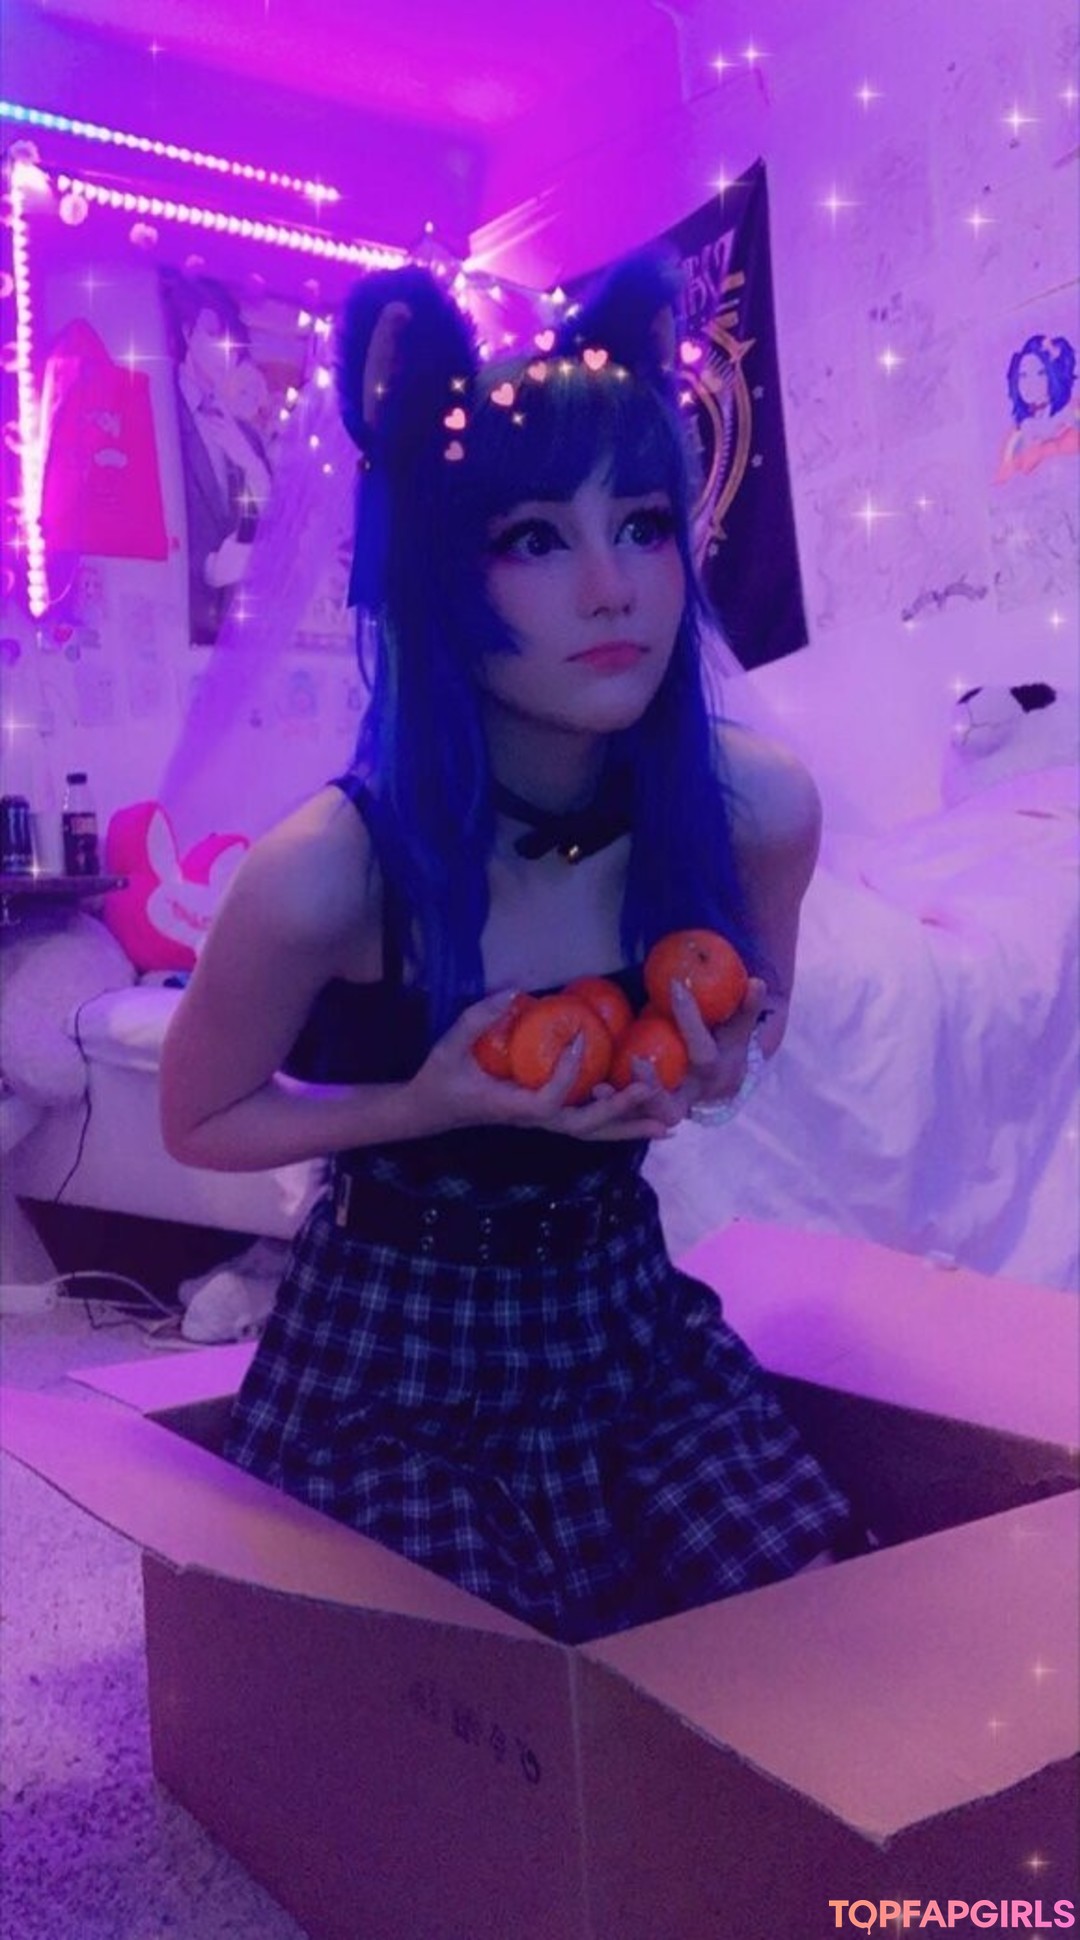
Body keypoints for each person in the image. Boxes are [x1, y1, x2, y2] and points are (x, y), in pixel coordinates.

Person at [160, 251, 862, 1643]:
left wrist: (716, 1070)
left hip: (621, 1311)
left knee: (815, 1635)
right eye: (534, 539)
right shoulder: (329, 871)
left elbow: (757, 1017)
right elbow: (197, 1117)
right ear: (437, 573)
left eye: (643, 524)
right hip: (391, 1341)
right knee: (483, 1696)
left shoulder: (756, 808)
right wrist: (425, 1102)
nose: (614, 589)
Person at [162, 272, 274, 643]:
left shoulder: (244, 437)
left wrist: (252, 467)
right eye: (213, 334)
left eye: (230, 338)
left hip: (233, 629)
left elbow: (272, 525)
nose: (225, 348)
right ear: (187, 333)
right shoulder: (161, 415)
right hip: (171, 618)